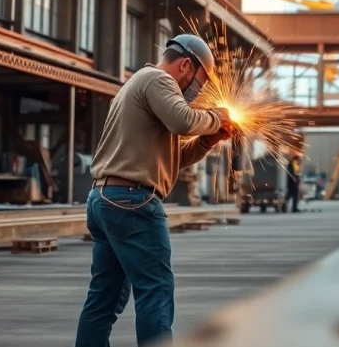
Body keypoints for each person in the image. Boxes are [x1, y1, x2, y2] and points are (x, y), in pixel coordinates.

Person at [74, 34, 236, 347]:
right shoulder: (159, 80)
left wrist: (208, 140)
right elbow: (184, 121)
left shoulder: (139, 85)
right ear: (186, 65)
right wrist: (217, 117)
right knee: (156, 290)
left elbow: (175, 156)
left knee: (103, 300)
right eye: (199, 82)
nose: (197, 90)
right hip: (132, 203)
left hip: (105, 200)